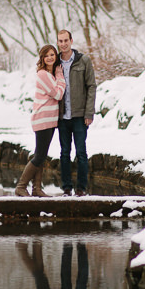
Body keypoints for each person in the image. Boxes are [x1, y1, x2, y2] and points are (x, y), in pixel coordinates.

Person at [15, 44, 66, 197]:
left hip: (50, 120)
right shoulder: (43, 74)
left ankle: (36, 189)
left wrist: (57, 75)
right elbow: (58, 94)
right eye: (47, 55)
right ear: (42, 59)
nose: (50, 57)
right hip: (42, 118)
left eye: (52, 55)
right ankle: (21, 186)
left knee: (41, 155)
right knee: (39, 156)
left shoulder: (51, 75)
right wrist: (60, 75)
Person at [56, 30, 97, 196]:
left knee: (81, 152)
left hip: (80, 116)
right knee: (64, 153)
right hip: (62, 117)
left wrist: (89, 113)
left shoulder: (83, 61)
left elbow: (91, 86)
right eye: (60, 41)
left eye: (66, 40)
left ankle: (81, 188)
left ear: (71, 41)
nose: (63, 43)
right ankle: (66, 188)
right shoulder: (55, 63)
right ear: (57, 43)